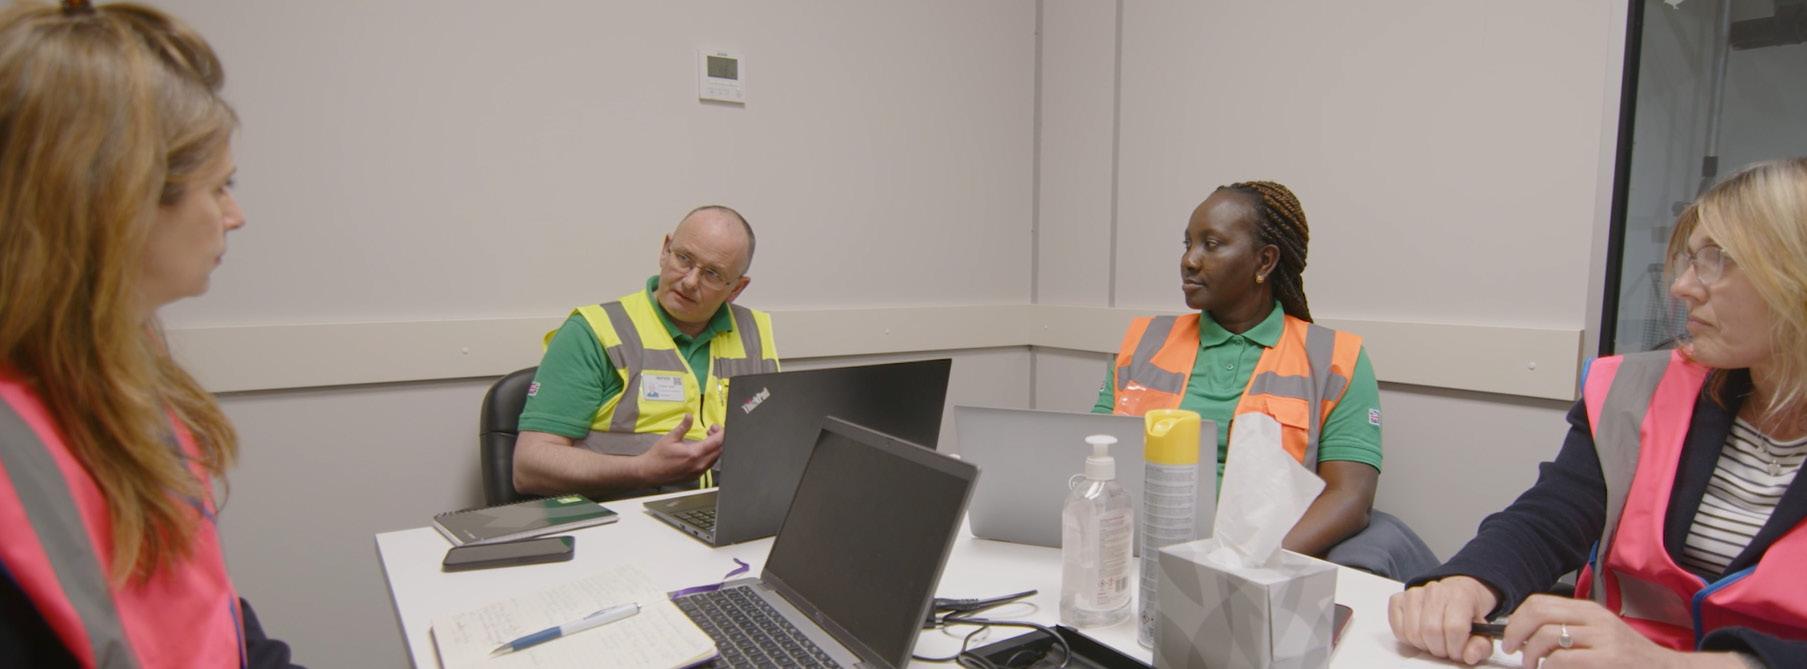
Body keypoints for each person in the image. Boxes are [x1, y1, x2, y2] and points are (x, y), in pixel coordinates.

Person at [1390, 159, 1807, 668]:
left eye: (1716, 259)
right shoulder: (1637, 389)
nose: (1682, 286)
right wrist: (1468, 581)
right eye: (1690, 260)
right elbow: (1551, 517)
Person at [0, 1, 297, 666]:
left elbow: (209, 615)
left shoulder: (125, 376)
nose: (235, 215)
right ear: (119, 203)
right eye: (218, 187)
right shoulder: (18, 450)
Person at [1095, 180, 1434, 579]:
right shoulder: (1145, 341)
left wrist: (1244, 568)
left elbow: (1349, 497)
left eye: (1211, 244)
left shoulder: (1336, 358)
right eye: (1188, 244)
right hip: (1136, 555)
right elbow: (1093, 453)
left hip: (1256, 571)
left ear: (1264, 261)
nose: (1189, 260)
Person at [512, 205, 780, 498]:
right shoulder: (594, 331)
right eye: (684, 258)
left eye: (712, 274)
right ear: (665, 250)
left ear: (736, 288)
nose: (690, 281)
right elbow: (529, 467)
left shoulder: (755, 333)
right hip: (620, 514)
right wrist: (642, 469)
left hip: (725, 510)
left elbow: (773, 440)